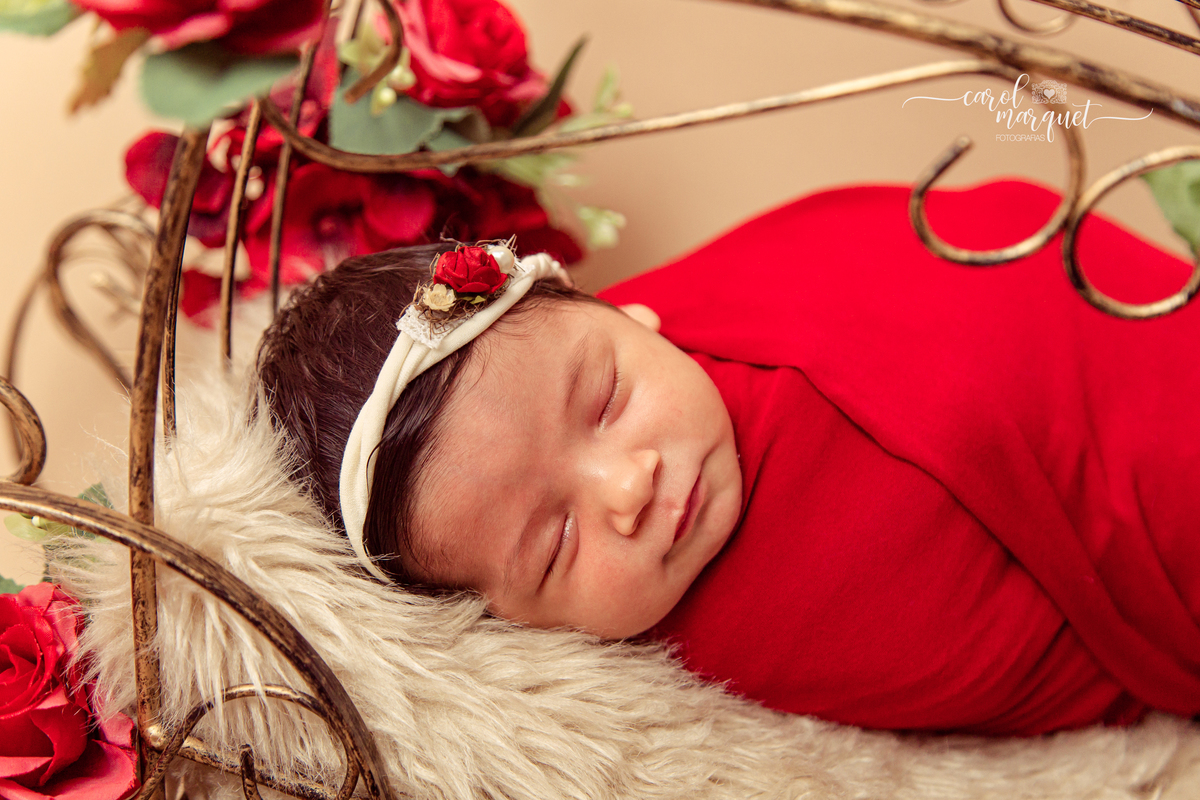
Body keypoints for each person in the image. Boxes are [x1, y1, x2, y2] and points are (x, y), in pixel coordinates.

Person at [256, 178, 1200, 736]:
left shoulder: (740, 308)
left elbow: (975, 263)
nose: (629, 486)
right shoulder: (658, 689)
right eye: (554, 546)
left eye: (608, 400)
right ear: (508, 623)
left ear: (626, 310)